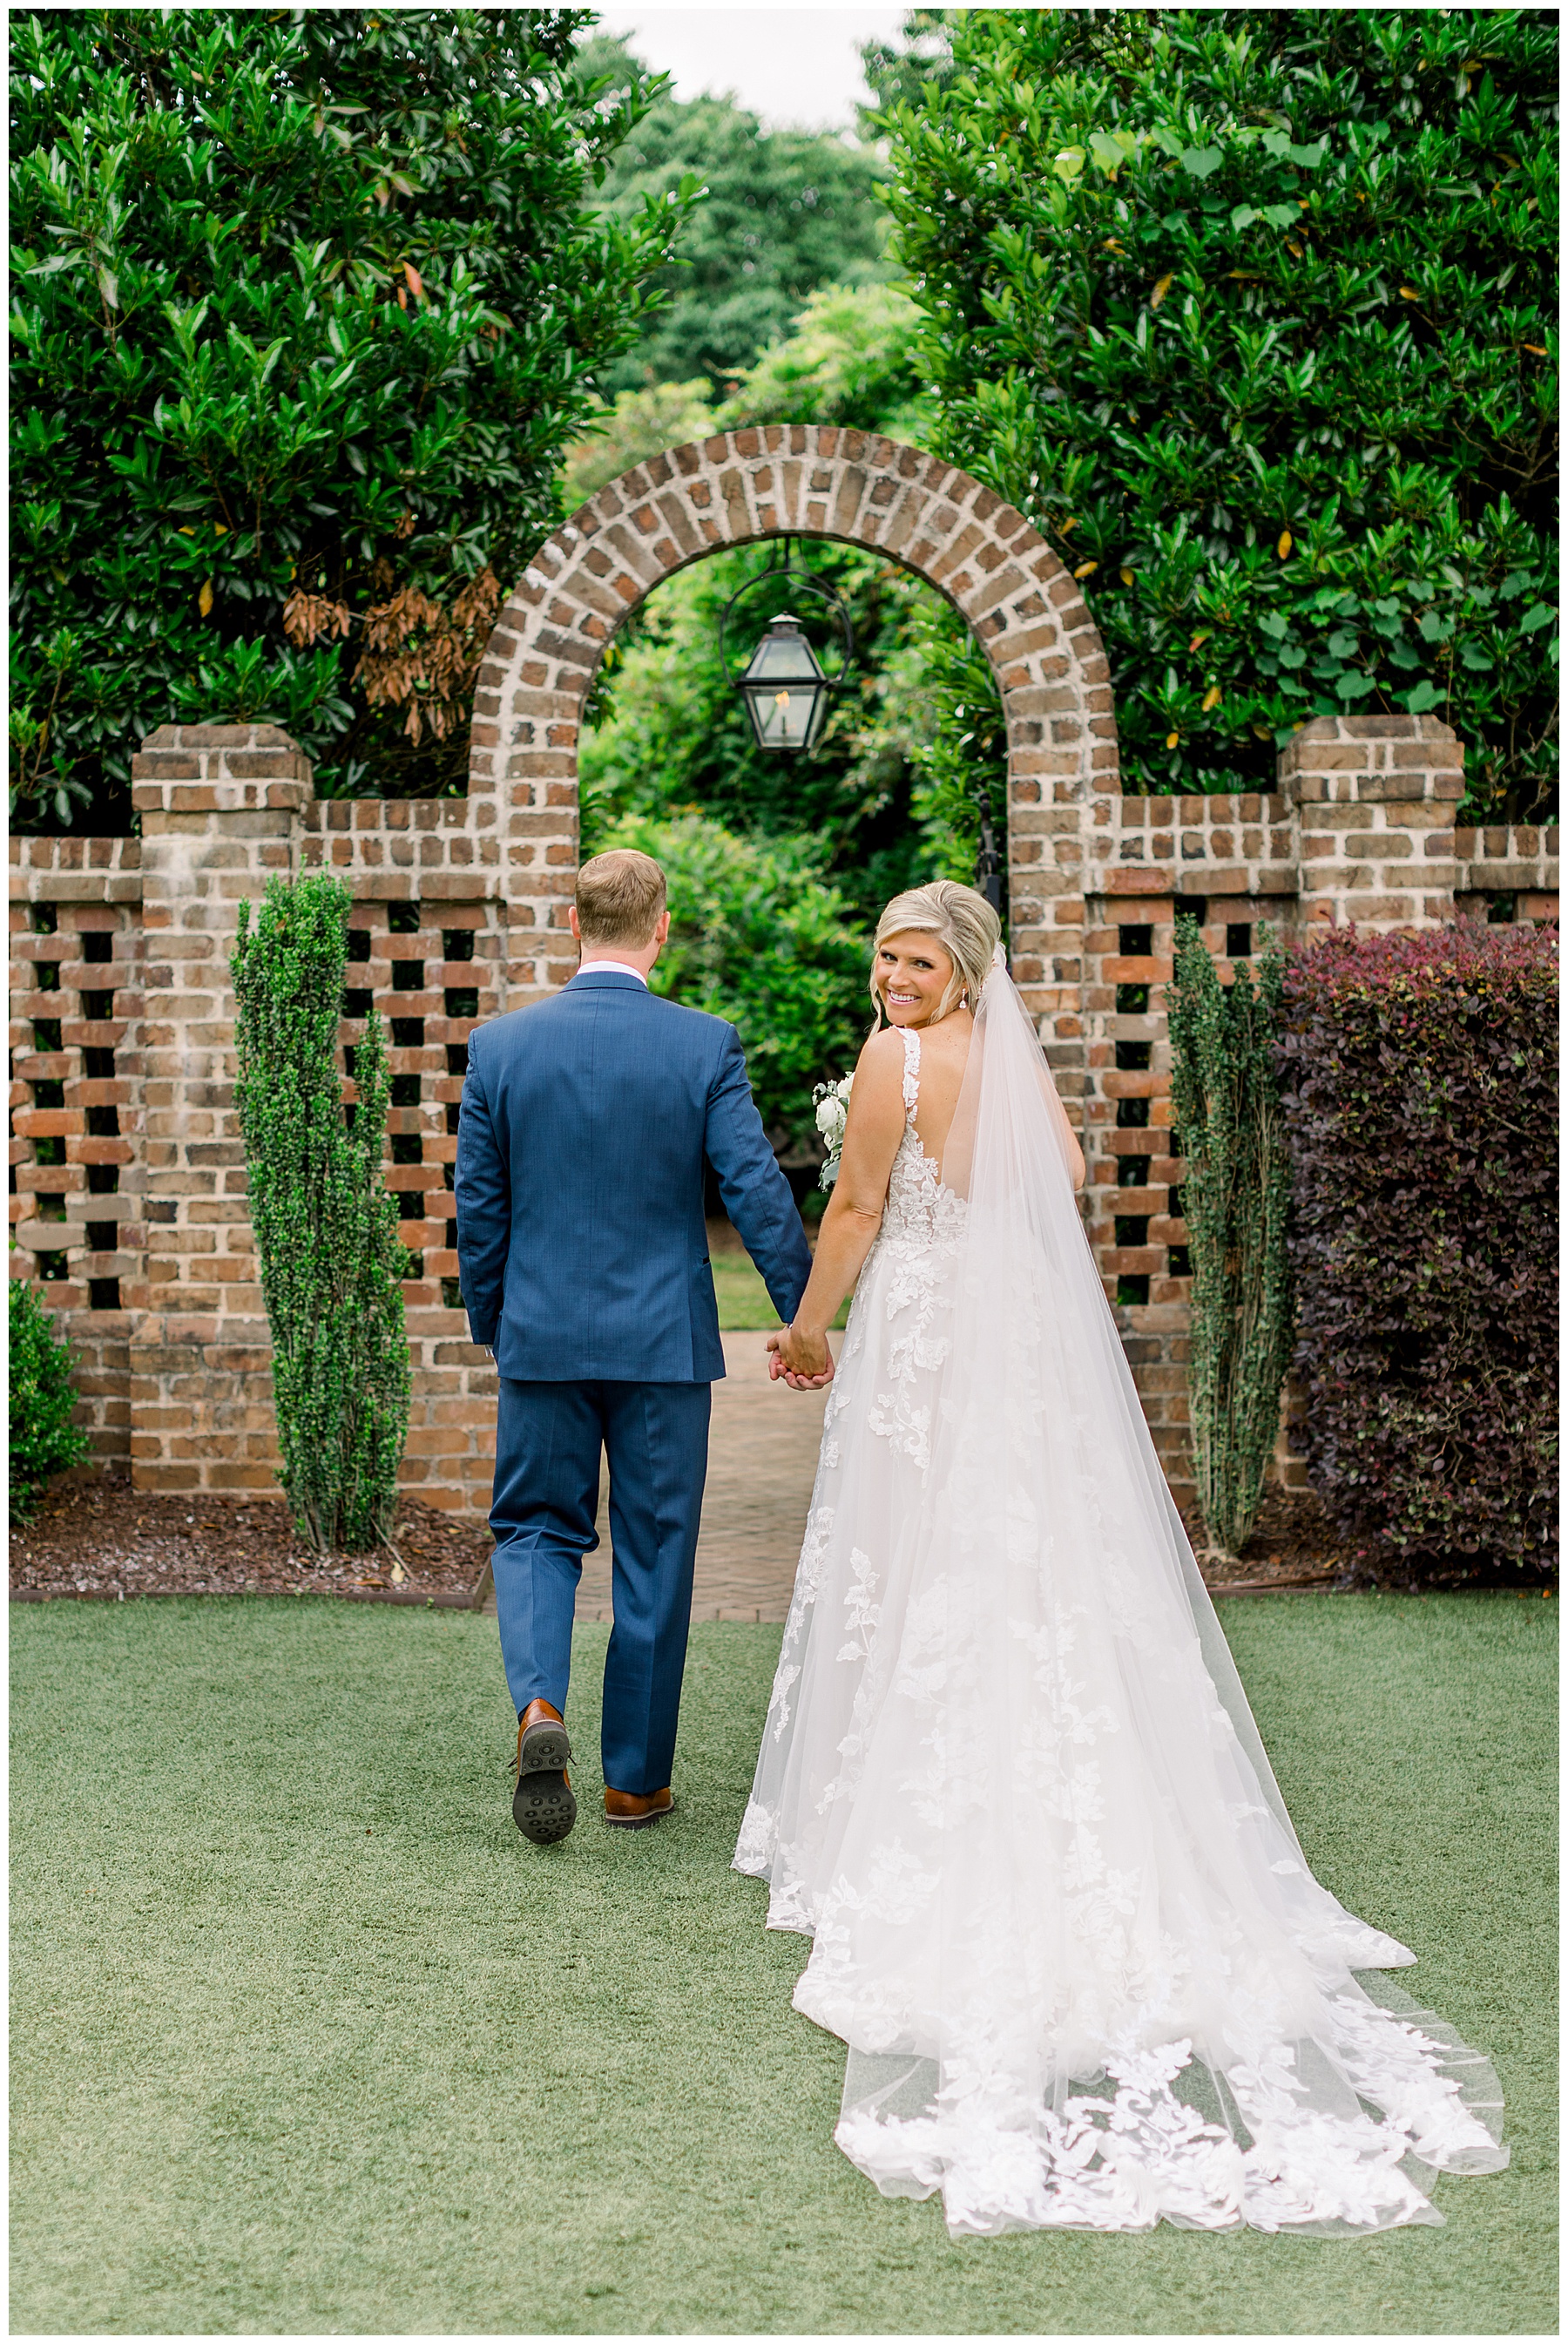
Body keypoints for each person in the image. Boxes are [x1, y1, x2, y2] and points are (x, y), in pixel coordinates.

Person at [737, 879, 1508, 2239]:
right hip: (1012, 1331)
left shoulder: (894, 1058)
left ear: (962, 969)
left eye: (916, 961)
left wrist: (807, 1329)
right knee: (1018, 1559)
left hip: (924, 1334)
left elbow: (855, 1207)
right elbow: (1065, 1183)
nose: (893, 979)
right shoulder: (1008, 1061)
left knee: (913, 1560)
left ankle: (898, 1805)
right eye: (884, 959)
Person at [456, 848, 816, 1845]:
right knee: (656, 1549)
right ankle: (633, 1784)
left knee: (535, 1530)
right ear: (662, 928)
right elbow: (755, 1190)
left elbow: (479, 1209)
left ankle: (540, 1703)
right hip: (663, 1345)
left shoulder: (500, 1047)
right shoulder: (704, 1044)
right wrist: (804, 1317)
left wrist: (498, 1323)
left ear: (574, 926)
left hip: (541, 1337)